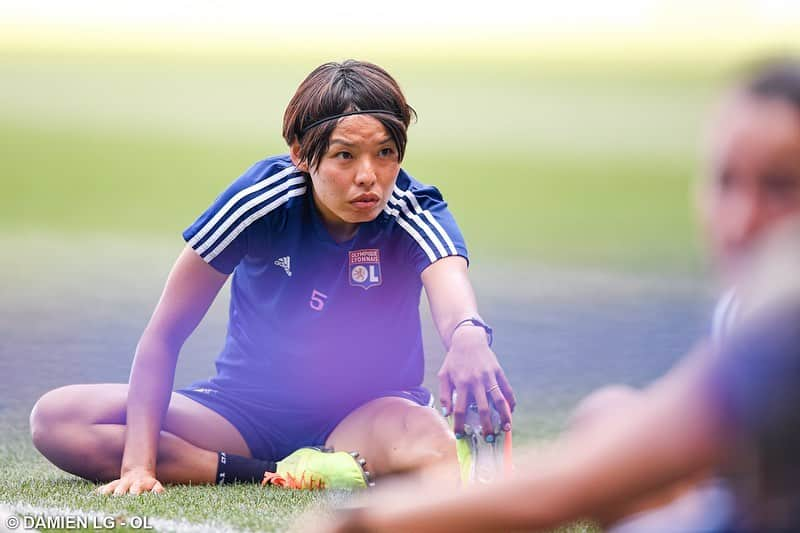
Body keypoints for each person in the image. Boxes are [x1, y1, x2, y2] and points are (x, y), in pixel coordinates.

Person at [321, 58, 800, 531]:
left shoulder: (785, 317)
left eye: (779, 187)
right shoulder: (750, 304)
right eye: (725, 182)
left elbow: (568, 489)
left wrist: (368, 523)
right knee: (605, 416)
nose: (741, 219)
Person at [28, 60, 515, 494]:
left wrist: (469, 337)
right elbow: (164, 334)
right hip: (243, 412)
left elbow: (452, 292)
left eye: (385, 153)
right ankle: (272, 471)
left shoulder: (412, 210)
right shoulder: (260, 202)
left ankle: (340, 463)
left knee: (433, 445)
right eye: (346, 156)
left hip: (367, 414)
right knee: (58, 419)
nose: (369, 176)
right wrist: (138, 465)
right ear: (302, 154)